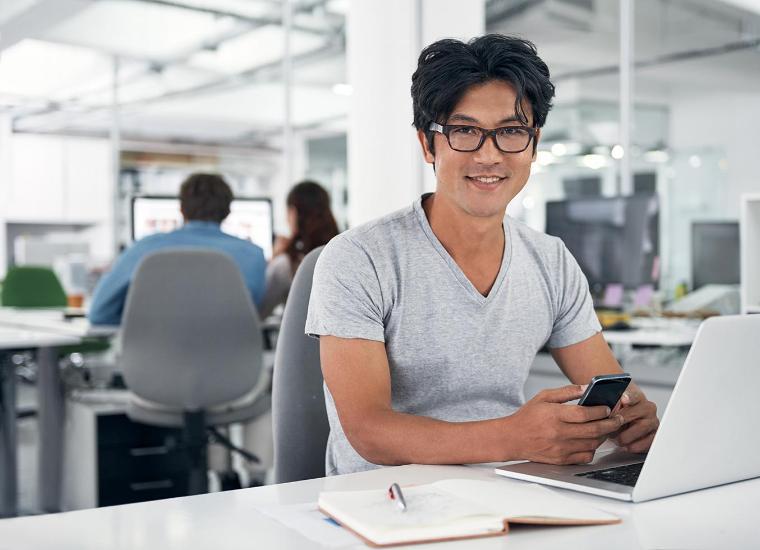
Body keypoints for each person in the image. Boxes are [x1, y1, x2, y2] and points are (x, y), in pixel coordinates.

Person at [305, 34, 659, 476]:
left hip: (512, 489)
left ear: (533, 144)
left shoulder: (550, 259)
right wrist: (515, 436)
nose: (489, 155)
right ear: (427, 143)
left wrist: (630, 419)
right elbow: (369, 430)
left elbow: (609, 388)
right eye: (465, 131)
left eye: (511, 132)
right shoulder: (358, 258)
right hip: (387, 504)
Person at [89, 173, 267, 325]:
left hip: (150, 360)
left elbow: (99, 313)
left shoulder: (144, 249)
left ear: (181, 209)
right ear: (228, 211)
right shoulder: (254, 256)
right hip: (234, 363)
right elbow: (248, 317)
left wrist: (144, 324)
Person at [258, 180, 339, 319]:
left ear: (293, 213)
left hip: (295, 341)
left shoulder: (286, 263)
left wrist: (275, 257)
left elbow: (259, 312)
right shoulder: (343, 254)